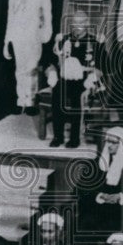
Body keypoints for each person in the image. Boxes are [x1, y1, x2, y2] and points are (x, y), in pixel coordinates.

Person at [4, 0, 53, 114]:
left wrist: (47, 30)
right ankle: (21, 100)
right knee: (20, 67)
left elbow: (47, 8)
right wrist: (7, 40)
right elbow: (10, 11)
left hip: (34, 30)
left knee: (32, 67)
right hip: (18, 30)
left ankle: (31, 101)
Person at [79, 126, 123, 232]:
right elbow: (80, 187)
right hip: (97, 209)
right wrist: (99, 195)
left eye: (113, 142)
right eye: (107, 141)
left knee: (119, 226)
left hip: (122, 211)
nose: (109, 145)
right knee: (85, 222)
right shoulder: (97, 163)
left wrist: (121, 197)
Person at [48, 10, 99, 148]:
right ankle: (58, 137)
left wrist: (93, 79)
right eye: (75, 22)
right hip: (65, 77)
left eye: (81, 22)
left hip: (84, 79)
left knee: (77, 98)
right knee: (57, 94)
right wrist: (52, 73)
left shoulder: (94, 41)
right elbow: (52, 63)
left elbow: (103, 65)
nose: (78, 26)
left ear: (87, 23)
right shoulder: (63, 39)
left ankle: (74, 138)